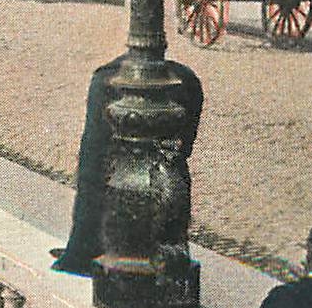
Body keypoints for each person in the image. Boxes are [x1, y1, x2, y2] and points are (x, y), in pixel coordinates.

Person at [51, 53, 203, 275]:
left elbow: (92, 169)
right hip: (169, 229)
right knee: (170, 161)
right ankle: (169, 251)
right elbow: (183, 149)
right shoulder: (186, 79)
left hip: (126, 82)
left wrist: (78, 253)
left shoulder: (107, 80)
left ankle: (84, 250)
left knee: (99, 160)